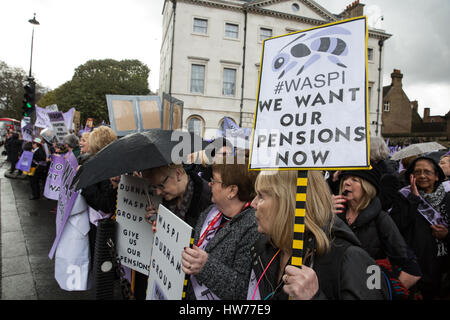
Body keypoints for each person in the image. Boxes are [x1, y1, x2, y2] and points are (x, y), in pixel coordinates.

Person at [249, 170, 388, 300]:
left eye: (261, 196)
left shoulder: (351, 258)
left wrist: (314, 296)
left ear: (287, 203)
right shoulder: (265, 248)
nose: (253, 203)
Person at [333, 168, 422, 298]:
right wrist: (325, 213)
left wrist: (386, 290)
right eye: (345, 179)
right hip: (337, 282)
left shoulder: (381, 218)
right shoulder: (334, 214)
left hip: (367, 282)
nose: (346, 183)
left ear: (367, 187)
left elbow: (411, 267)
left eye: (354, 180)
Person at [181, 155, 259, 300]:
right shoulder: (210, 212)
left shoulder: (253, 226)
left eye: (214, 180)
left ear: (232, 191)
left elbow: (243, 290)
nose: (209, 184)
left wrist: (205, 266)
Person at [140, 162, 212, 300]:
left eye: (161, 185)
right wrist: (159, 220)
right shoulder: (164, 200)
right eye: (154, 187)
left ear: (178, 174)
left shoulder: (208, 198)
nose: (158, 192)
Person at [390, 156, 450, 299]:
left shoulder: (448, 197)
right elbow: (397, 227)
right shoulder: (403, 197)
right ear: (411, 176)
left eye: (427, 172)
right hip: (416, 266)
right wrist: (414, 200)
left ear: (436, 176)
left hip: (444, 267)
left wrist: (447, 234)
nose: (422, 176)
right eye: (417, 172)